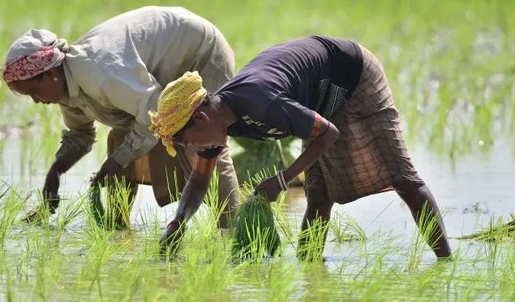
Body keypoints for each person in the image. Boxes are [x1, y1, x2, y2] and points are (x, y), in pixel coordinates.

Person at [151, 36, 452, 259]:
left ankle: (445, 260)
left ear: (201, 118)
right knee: (319, 192)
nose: (194, 148)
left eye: (189, 141)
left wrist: (282, 180)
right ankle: (311, 268)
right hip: (316, 99)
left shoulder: (260, 102)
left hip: (353, 76)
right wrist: (178, 221)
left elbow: (329, 133)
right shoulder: (216, 125)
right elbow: (200, 179)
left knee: (402, 176)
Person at [1, 6, 240, 228]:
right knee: (120, 141)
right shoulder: (67, 89)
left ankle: (234, 232)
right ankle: (117, 227)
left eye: (34, 91)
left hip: (199, 52)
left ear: (51, 73)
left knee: (205, 146)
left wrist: (117, 161)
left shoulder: (99, 72)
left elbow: (154, 113)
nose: (35, 100)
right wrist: (56, 172)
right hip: (161, 71)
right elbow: (80, 135)